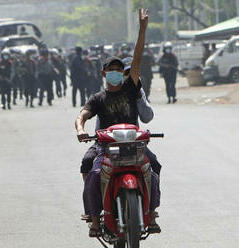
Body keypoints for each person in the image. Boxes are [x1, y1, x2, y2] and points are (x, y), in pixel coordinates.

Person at [75, 9, 160, 237]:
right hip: (105, 147)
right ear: (104, 73)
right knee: (90, 168)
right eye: (111, 70)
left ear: (123, 73)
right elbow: (82, 115)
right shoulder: (98, 98)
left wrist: (142, 29)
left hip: (133, 145)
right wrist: (81, 130)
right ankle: (94, 218)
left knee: (153, 167)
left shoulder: (131, 88)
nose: (115, 74)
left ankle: (151, 214)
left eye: (118, 70)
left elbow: (138, 57)